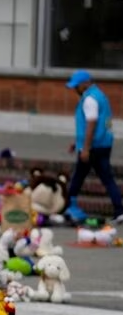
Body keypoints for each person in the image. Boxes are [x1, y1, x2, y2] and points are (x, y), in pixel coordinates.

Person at [63, 70, 123, 225]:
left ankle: (69, 206)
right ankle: (119, 211)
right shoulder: (100, 95)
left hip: (93, 147)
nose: (75, 89)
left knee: (79, 176)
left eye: (77, 86)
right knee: (106, 178)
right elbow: (103, 123)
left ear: (85, 84)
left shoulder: (89, 99)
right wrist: (77, 143)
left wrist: (85, 148)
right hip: (104, 143)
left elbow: (91, 124)